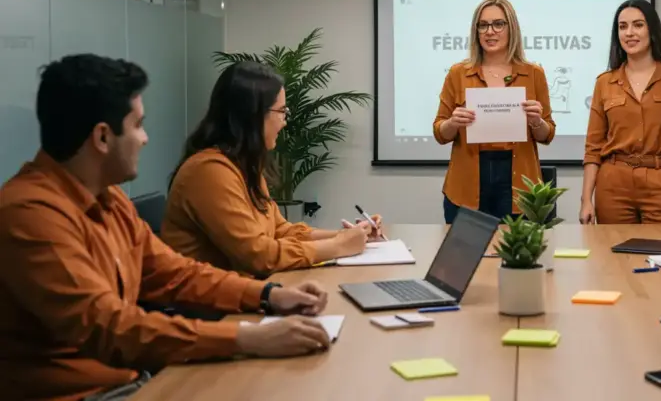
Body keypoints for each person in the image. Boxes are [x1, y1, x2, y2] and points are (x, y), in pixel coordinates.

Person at [0, 54, 340, 401]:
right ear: (103, 137)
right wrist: (246, 338)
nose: (145, 138)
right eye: (138, 125)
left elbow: (176, 273)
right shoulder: (30, 214)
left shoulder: (110, 200)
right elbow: (108, 327)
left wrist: (268, 295)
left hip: (131, 380)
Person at [162, 62, 381, 278]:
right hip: (213, 309)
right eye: (281, 111)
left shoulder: (243, 166)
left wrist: (349, 236)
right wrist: (338, 246)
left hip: (244, 293)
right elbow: (259, 256)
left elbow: (280, 231)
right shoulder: (209, 172)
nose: (284, 122)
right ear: (252, 115)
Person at [434, 0, 555, 223]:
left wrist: (537, 121)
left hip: (518, 176)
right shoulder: (458, 73)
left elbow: (547, 135)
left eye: (498, 24)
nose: (490, 31)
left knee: (516, 255)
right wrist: (453, 122)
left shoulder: (533, 73)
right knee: (467, 255)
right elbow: (440, 132)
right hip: (468, 179)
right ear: (476, 31)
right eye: (483, 25)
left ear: (512, 29)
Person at [580, 0, 661, 224]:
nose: (629, 33)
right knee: (614, 257)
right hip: (613, 186)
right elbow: (593, 147)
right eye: (622, 26)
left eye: (638, 25)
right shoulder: (604, 82)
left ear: (651, 30)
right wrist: (586, 199)